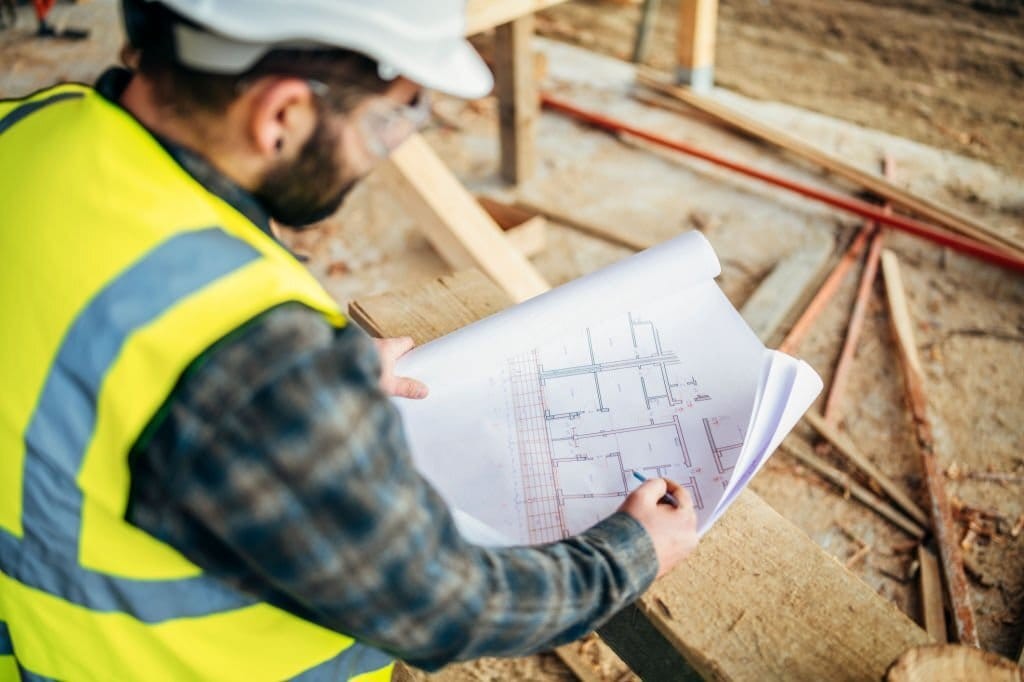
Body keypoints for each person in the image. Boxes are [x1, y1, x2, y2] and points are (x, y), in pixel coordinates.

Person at [0, 0, 700, 679]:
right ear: (281, 114)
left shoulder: (32, 127)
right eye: (390, 118)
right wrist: (628, 556)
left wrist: (287, 399)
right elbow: (443, 603)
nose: (384, 151)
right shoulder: (248, 351)